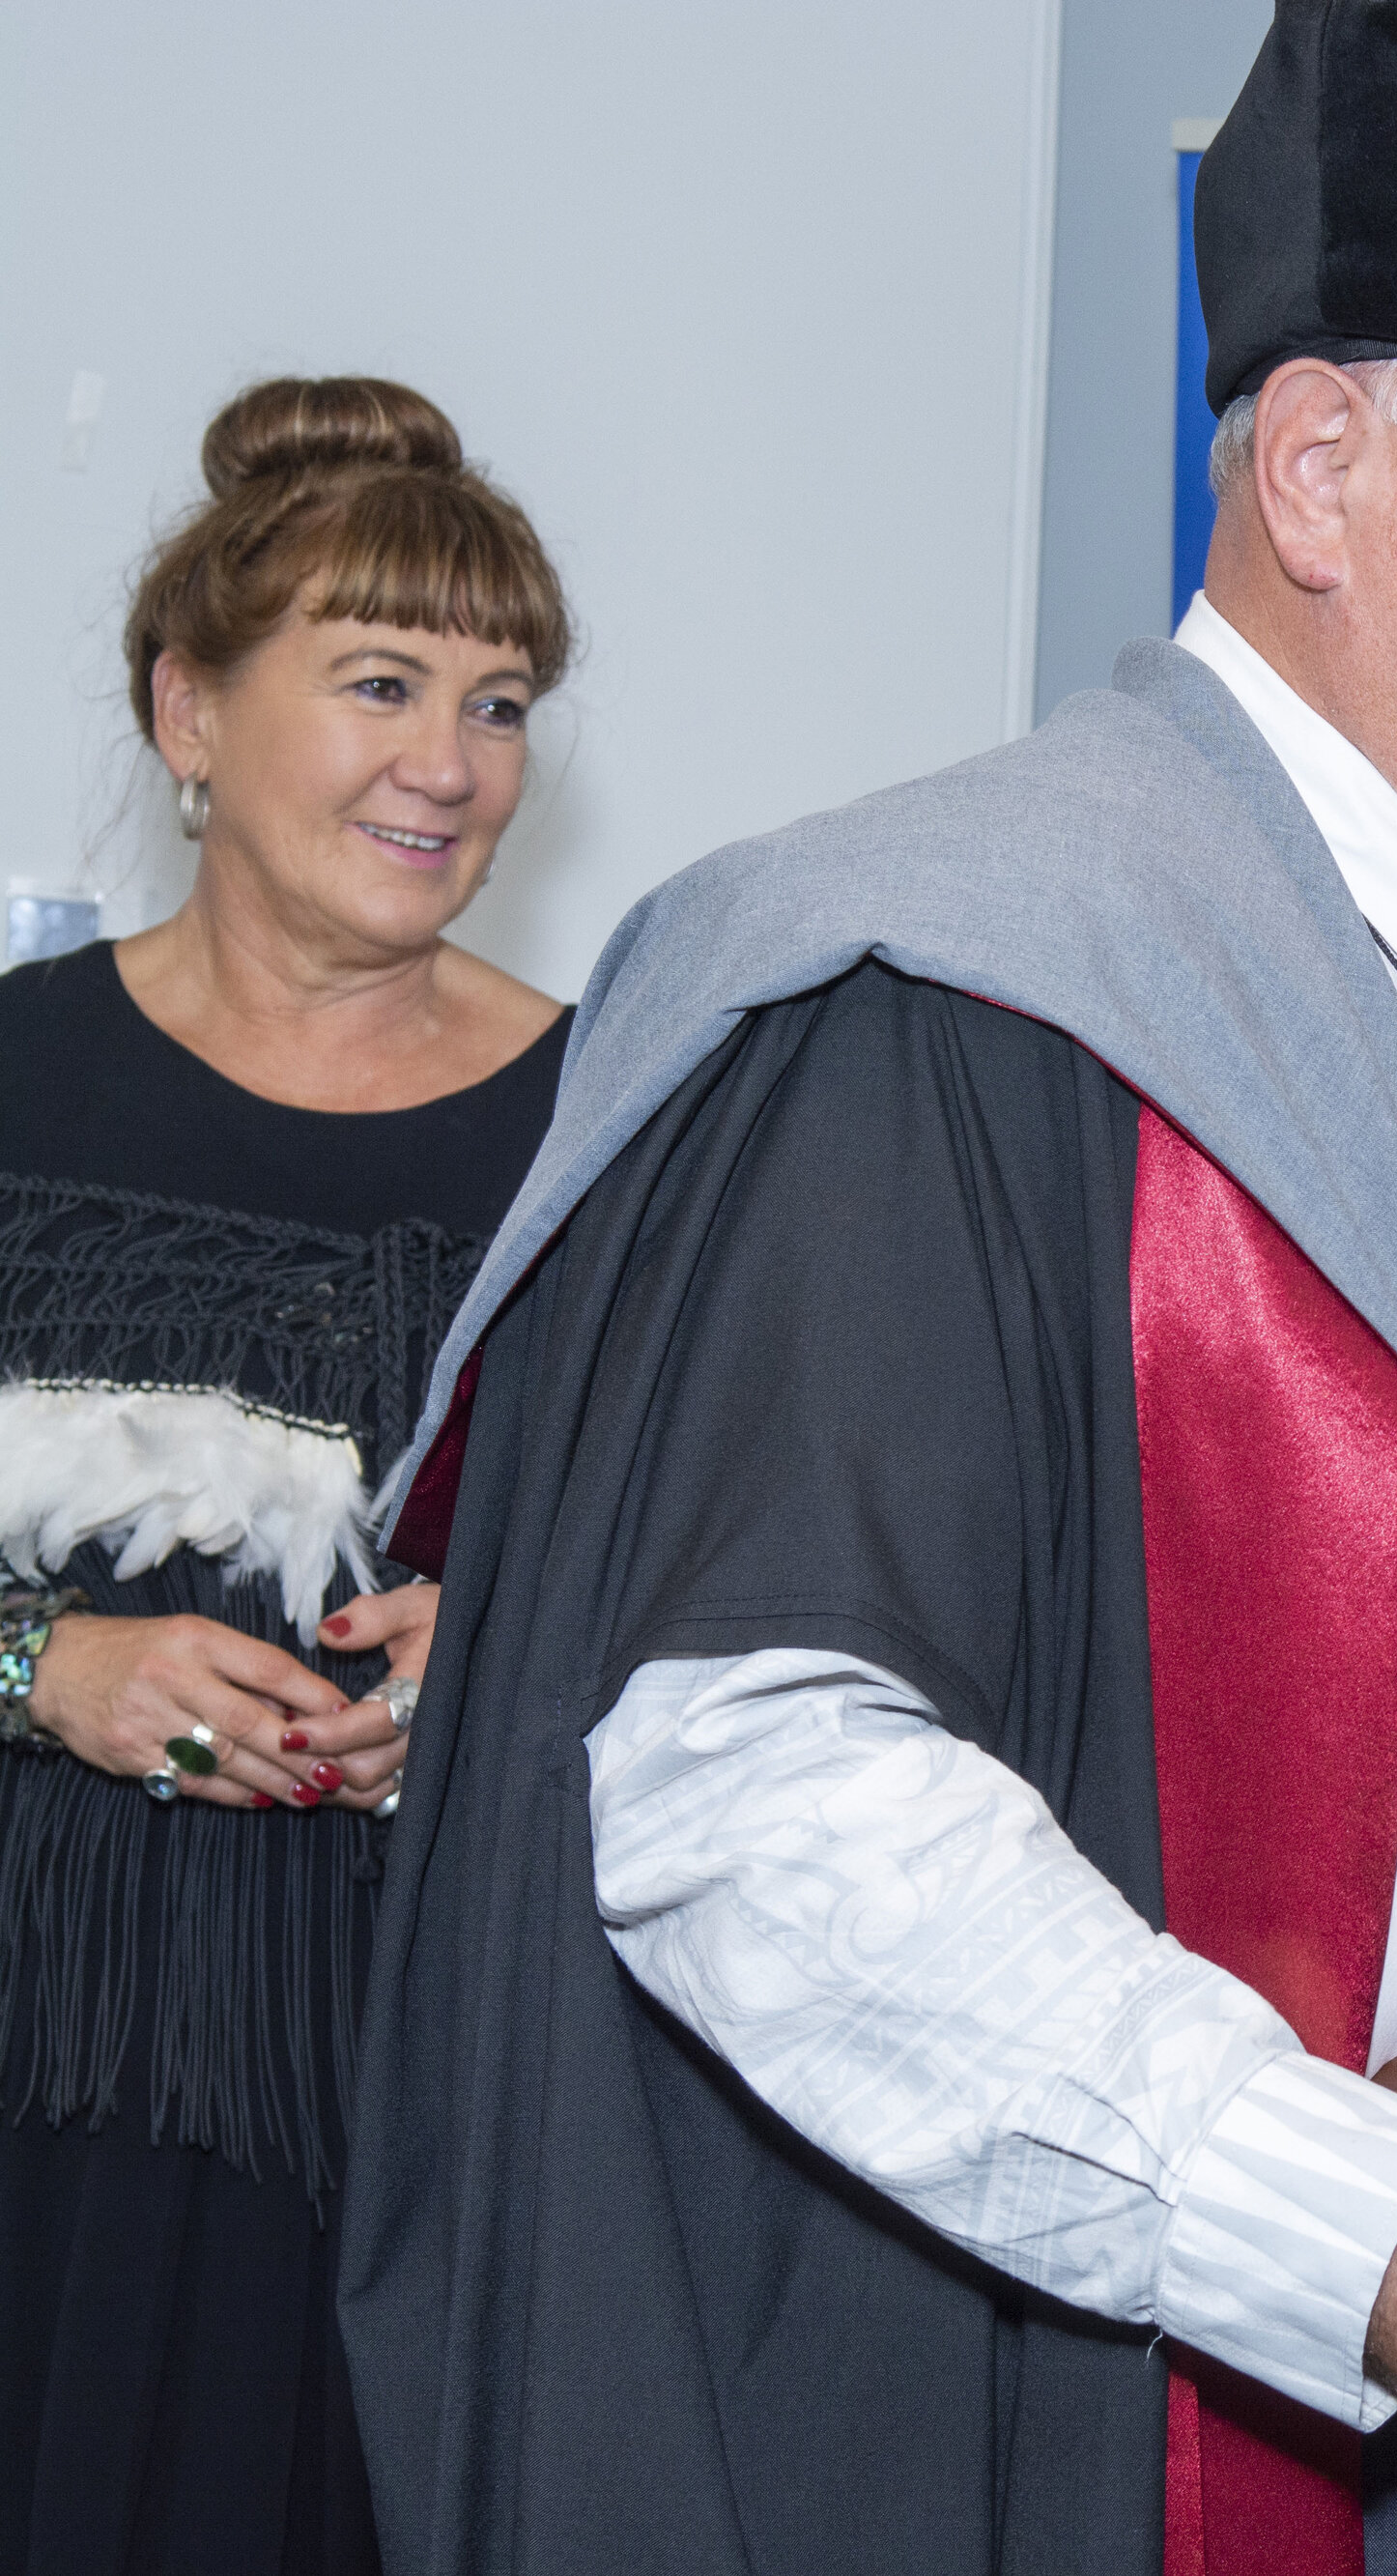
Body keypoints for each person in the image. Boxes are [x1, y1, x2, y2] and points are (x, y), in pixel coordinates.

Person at [335, 8, 1397, 2574]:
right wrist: (1371, 2231)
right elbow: (756, 1791)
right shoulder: (947, 997)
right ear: (1323, 468)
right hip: (1086, 2423)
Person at [0, 375, 572, 2574]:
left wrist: (510, 1656)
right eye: (378, 682)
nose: (450, 762)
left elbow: (742, 1593)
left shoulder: (610, 1133)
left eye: (499, 699)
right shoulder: (19, 1083)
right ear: (192, 711)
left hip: (395, 2137)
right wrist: (43, 1660)